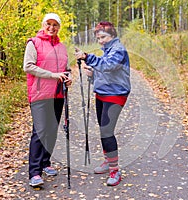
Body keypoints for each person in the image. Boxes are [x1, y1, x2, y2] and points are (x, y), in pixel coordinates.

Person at [75, 21, 131, 186]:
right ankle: (108, 161)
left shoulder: (118, 49)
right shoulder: (107, 50)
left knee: (107, 131)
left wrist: (87, 57)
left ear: (112, 35)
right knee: (103, 130)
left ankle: (115, 170)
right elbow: (104, 73)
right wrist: (91, 73)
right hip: (102, 93)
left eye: (104, 37)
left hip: (116, 95)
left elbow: (108, 66)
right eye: (98, 38)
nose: (101, 40)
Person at [23, 13, 72, 187]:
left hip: (57, 94)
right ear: (43, 24)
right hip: (39, 95)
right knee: (40, 131)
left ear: (59, 27)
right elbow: (28, 66)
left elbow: (66, 68)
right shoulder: (33, 43)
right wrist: (53, 75)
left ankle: (45, 162)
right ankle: (34, 172)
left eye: (55, 25)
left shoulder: (61, 47)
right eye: (48, 24)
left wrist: (67, 77)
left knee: (51, 131)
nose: (52, 27)